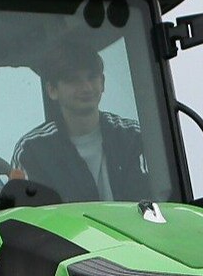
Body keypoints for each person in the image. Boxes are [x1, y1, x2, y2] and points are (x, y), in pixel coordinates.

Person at [11, 40, 152, 202]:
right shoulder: (31, 150)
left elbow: (153, 202)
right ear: (52, 90)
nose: (86, 88)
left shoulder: (133, 136)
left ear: (103, 83)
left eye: (92, 78)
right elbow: (24, 215)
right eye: (73, 80)